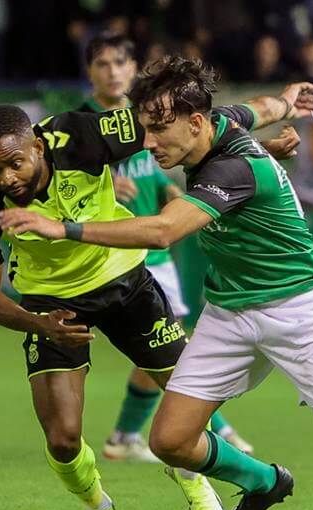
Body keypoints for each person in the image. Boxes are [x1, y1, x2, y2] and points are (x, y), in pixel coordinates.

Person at [0, 56, 313, 510]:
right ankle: (264, 482)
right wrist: (286, 101)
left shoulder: (236, 164)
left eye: (157, 130)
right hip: (230, 311)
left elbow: (163, 232)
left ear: (195, 123)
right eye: (145, 128)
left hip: (302, 309)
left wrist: (65, 228)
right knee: (170, 440)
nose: (148, 144)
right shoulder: (218, 126)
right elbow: (256, 108)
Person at [0, 81, 309, 510]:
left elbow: (188, 127)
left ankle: (191, 476)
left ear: (38, 146)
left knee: (188, 402)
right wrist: (37, 322)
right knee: (62, 439)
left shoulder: (84, 134)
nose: (5, 178)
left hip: (125, 281)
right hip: (52, 305)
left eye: (14, 163)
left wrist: (266, 134)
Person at [78, 32, 254, 462]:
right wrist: (96, 182)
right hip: (122, 253)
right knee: (169, 341)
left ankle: (127, 435)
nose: (113, 71)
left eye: (120, 62)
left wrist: (177, 198)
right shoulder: (81, 125)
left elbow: (153, 176)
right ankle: (212, 427)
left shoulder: (144, 120)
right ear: (89, 72)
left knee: (164, 343)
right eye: (102, 64)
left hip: (157, 253)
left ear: (133, 66)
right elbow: (56, 182)